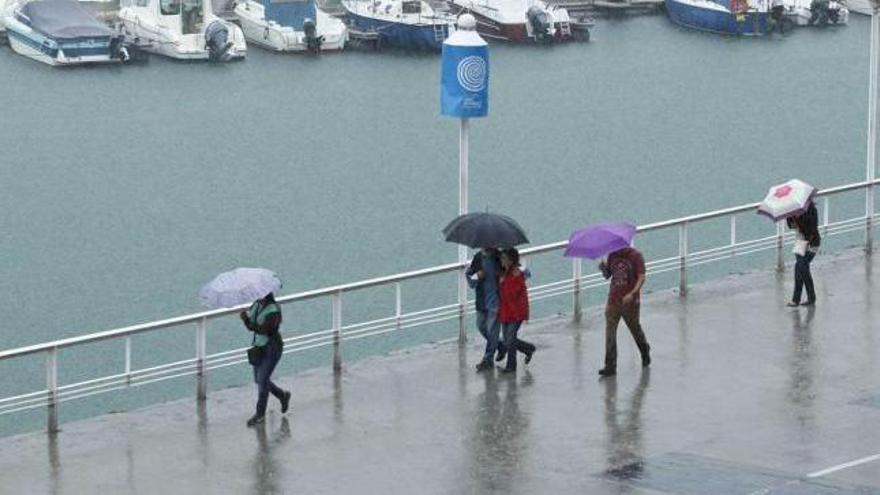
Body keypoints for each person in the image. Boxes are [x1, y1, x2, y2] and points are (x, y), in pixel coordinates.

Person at [598, 246, 651, 378]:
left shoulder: (636, 256)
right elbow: (608, 275)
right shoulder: (612, 254)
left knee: (635, 329)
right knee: (610, 332)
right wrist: (603, 268)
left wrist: (633, 293)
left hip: (630, 301)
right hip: (613, 300)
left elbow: (642, 277)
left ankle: (644, 349)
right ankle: (610, 365)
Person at [240, 292, 291, 426]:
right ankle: (282, 395)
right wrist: (246, 319)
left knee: (262, 381)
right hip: (259, 347)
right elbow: (251, 327)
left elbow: (267, 330)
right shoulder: (256, 305)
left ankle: (260, 414)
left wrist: (247, 320)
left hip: (272, 348)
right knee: (259, 379)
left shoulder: (273, 310)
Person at [498, 248, 536, 373]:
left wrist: (502, 283)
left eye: (504, 258)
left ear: (511, 260)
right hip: (506, 310)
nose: (501, 261)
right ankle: (528, 348)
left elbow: (512, 294)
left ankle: (511, 365)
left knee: (509, 338)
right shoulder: (504, 274)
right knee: (509, 338)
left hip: (517, 311)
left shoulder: (517, 275)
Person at [466, 247, 502, 371]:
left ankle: (487, 360)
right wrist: (477, 275)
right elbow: (469, 275)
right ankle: (502, 346)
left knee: (492, 330)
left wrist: (500, 275)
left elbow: (509, 271)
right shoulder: (478, 257)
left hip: (496, 301)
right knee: (481, 326)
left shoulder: (499, 257)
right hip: (481, 300)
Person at [786, 202, 821, 307]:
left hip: (812, 243)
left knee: (802, 268)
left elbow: (813, 229)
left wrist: (799, 218)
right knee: (799, 268)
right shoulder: (792, 211)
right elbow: (791, 226)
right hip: (800, 243)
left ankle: (809, 297)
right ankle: (798, 299)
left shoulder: (811, 210)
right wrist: (790, 217)